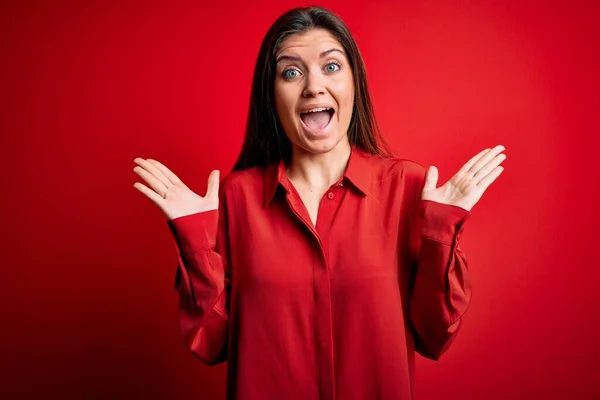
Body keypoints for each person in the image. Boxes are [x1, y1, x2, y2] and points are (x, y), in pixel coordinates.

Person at [133, 6, 506, 400]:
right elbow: (210, 343)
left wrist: (440, 233)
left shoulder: (408, 189)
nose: (313, 86)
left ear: (354, 83)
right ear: (271, 96)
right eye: (291, 72)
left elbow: (434, 336)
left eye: (331, 67)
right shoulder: (234, 198)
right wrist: (197, 244)